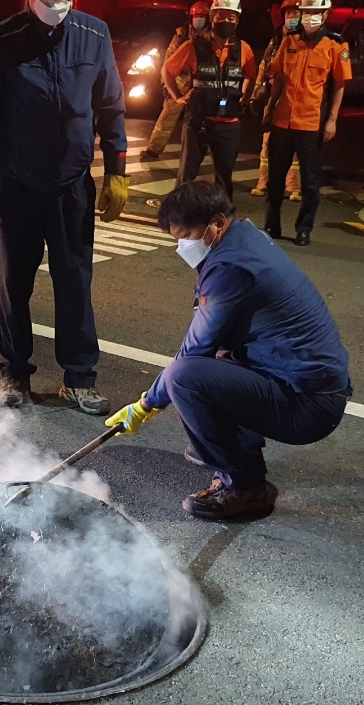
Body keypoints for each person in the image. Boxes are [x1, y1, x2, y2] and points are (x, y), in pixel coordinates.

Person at [105, 181, 350, 522]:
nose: (183, 245)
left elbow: (194, 349)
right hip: (309, 384)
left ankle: (245, 488)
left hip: (308, 406)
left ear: (217, 223)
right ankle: (233, 447)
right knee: (217, 356)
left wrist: (146, 404)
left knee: (185, 378)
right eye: (177, 237)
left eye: (187, 234)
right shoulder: (246, 238)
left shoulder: (230, 267)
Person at [0, 0, 128, 415]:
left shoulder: (94, 34)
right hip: (18, 182)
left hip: (71, 184)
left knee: (75, 282)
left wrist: (116, 170)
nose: (58, 2)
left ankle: (80, 379)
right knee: (15, 284)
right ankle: (15, 372)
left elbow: (110, 106)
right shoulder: (1, 39)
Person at [263, 0, 349, 247]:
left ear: (325, 14)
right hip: (282, 120)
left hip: (311, 122)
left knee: (310, 183)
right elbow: (279, 77)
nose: (310, 17)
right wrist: (269, 107)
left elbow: (340, 84)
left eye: (315, 13)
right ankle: (271, 224)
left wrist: (332, 120)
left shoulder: (335, 44)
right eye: (307, 12)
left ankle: (304, 228)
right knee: (275, 178)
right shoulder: (289, 40)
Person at [161, 0, 254, 201]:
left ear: (237, 21)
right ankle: (180, 217)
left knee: (224, 179)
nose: (225, 21)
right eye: (221, 16)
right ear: (212, 17)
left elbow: (251, 76)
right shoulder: (194, 46)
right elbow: (167, 70)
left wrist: (245, 99)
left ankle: (223, 223)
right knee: (186, 176)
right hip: (198, 122)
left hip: (228, 124)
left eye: (231, 17)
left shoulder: (243, 49)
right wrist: (177, 97)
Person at [139, 1, 207, 164]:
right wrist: (166, 84)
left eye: (202, 17)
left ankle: (203, 151)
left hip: (202, 83)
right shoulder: (181, 35)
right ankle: (153, 149)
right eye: (196, 17)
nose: (199, 20)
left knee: (204, 120)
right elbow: (169, 61)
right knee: (167, 118)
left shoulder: (211, 36)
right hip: (180, 83)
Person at [250, 0, 301, 201]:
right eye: (289, 13)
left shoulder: (306, 41)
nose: (292, 17)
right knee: (267, 142)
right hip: (273, 97)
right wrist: (256, 93)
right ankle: (263, 182)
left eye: (296, 13)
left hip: (295, 99)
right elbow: (264, 67)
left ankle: (294, 187)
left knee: (295, 146)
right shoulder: (276, 40)